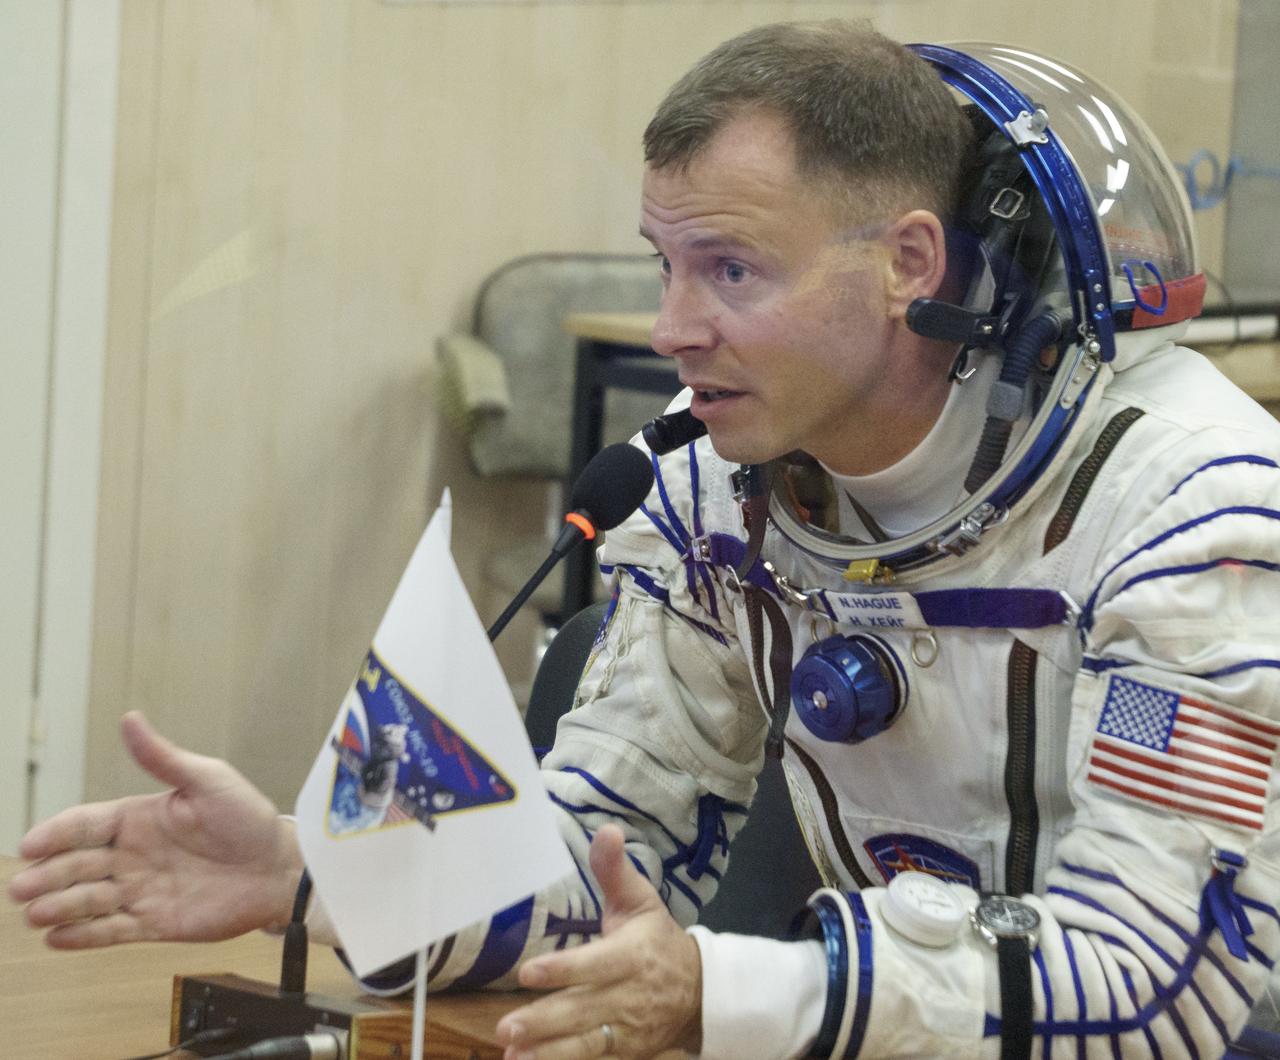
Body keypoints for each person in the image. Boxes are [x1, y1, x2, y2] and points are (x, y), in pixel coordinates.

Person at [10, 21, 1280, 1060]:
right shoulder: (714, 488)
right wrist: (316, 874)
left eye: (729, 270)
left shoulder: (1188, 510)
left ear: (907, 260)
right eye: (663, 264)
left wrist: (723, 991)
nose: (670, 327)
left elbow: (1152, 984)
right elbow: (597, 855)